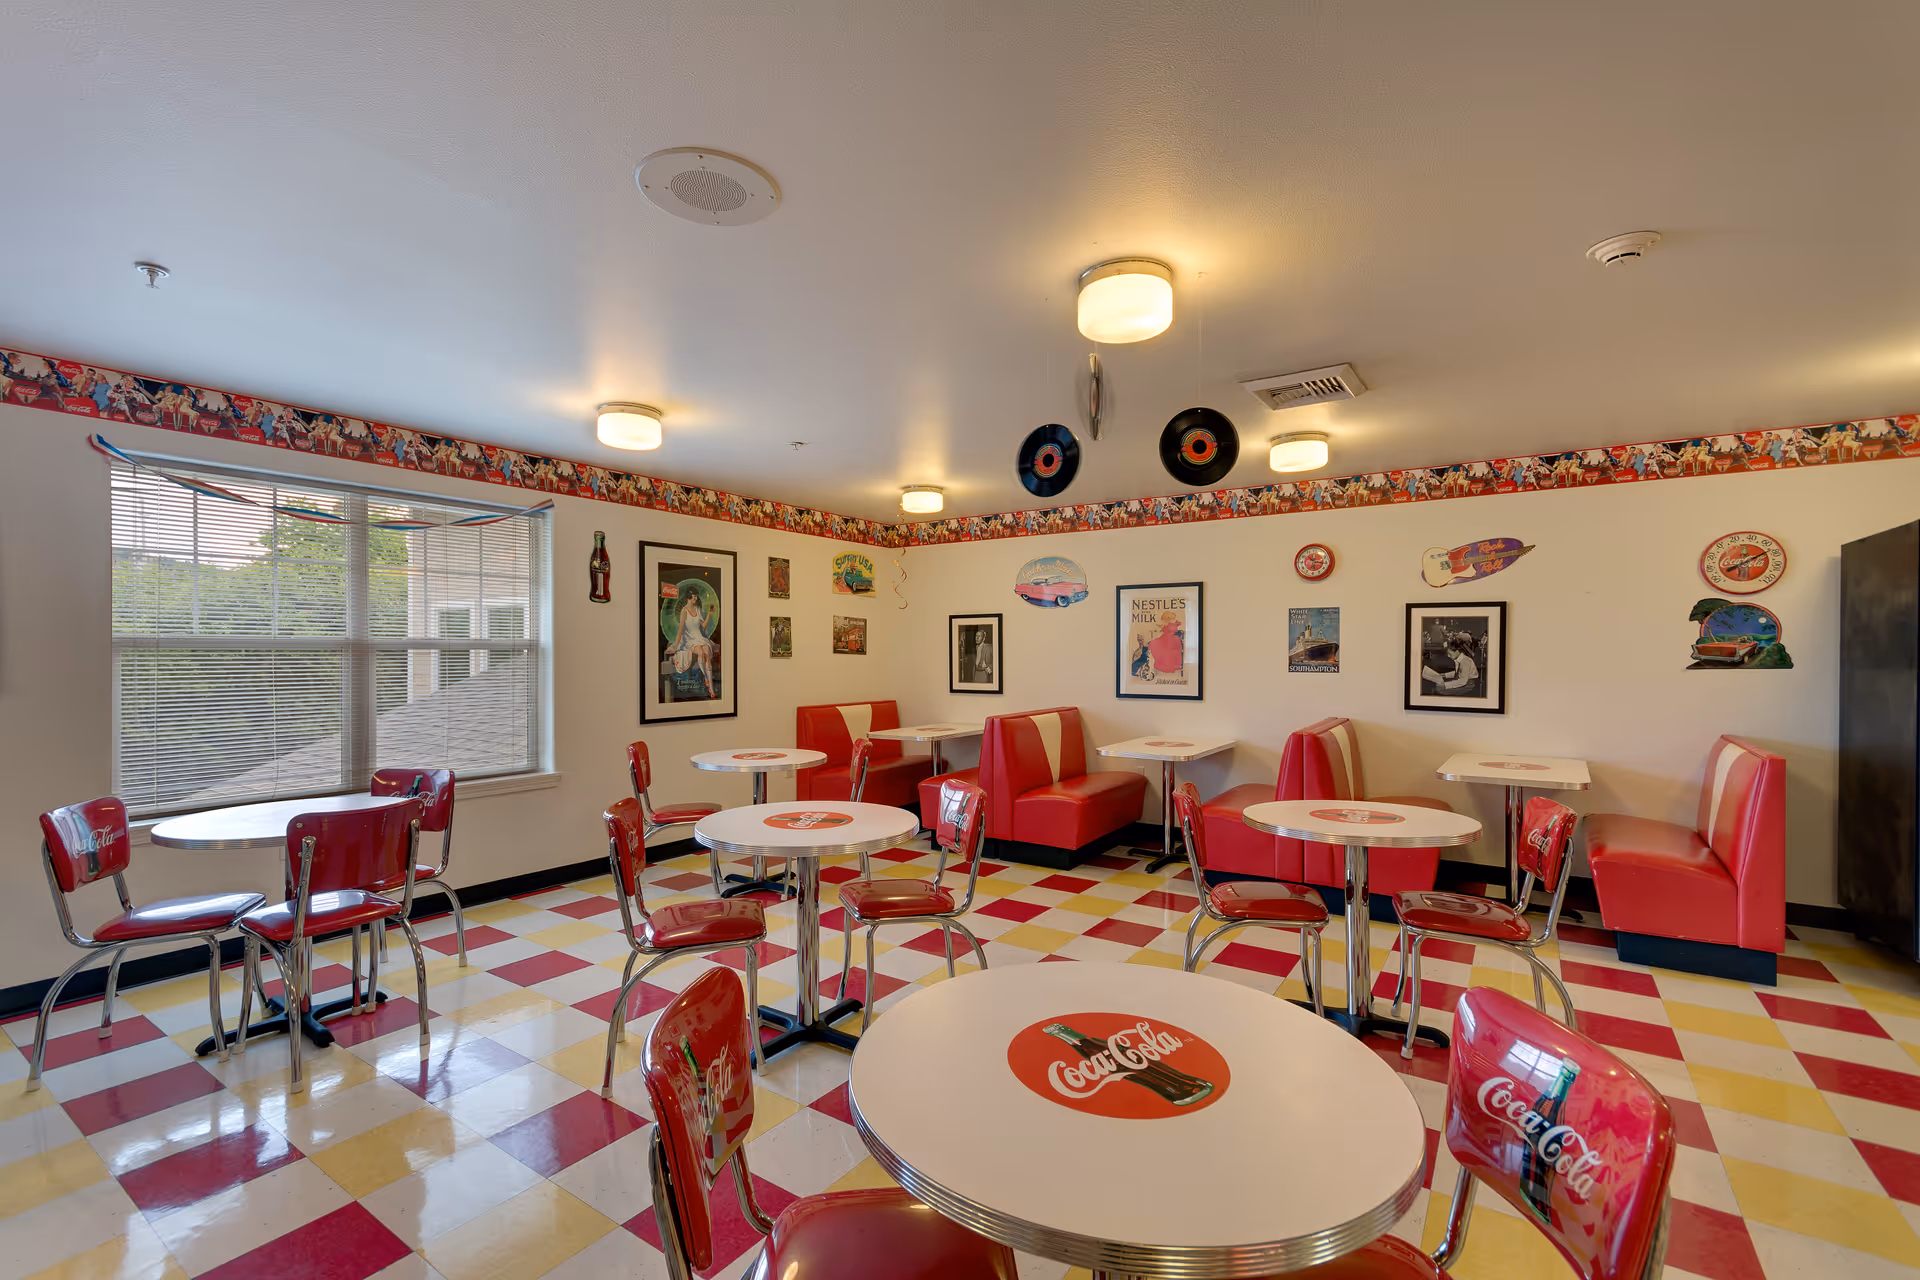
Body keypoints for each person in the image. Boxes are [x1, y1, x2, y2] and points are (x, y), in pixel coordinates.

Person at [668, 590, 716, 698]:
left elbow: (703, 626)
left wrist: (709, 614)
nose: (696, 598)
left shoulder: (698, 609)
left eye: (696, 596)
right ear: (689, 596)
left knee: (706, 653)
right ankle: (706, 677)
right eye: (694, 595)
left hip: (699, 637)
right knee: (701, 653)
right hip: (689, 639)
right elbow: (681, 629)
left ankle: (711, 688)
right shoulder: (684, 611)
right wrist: (676, 646)